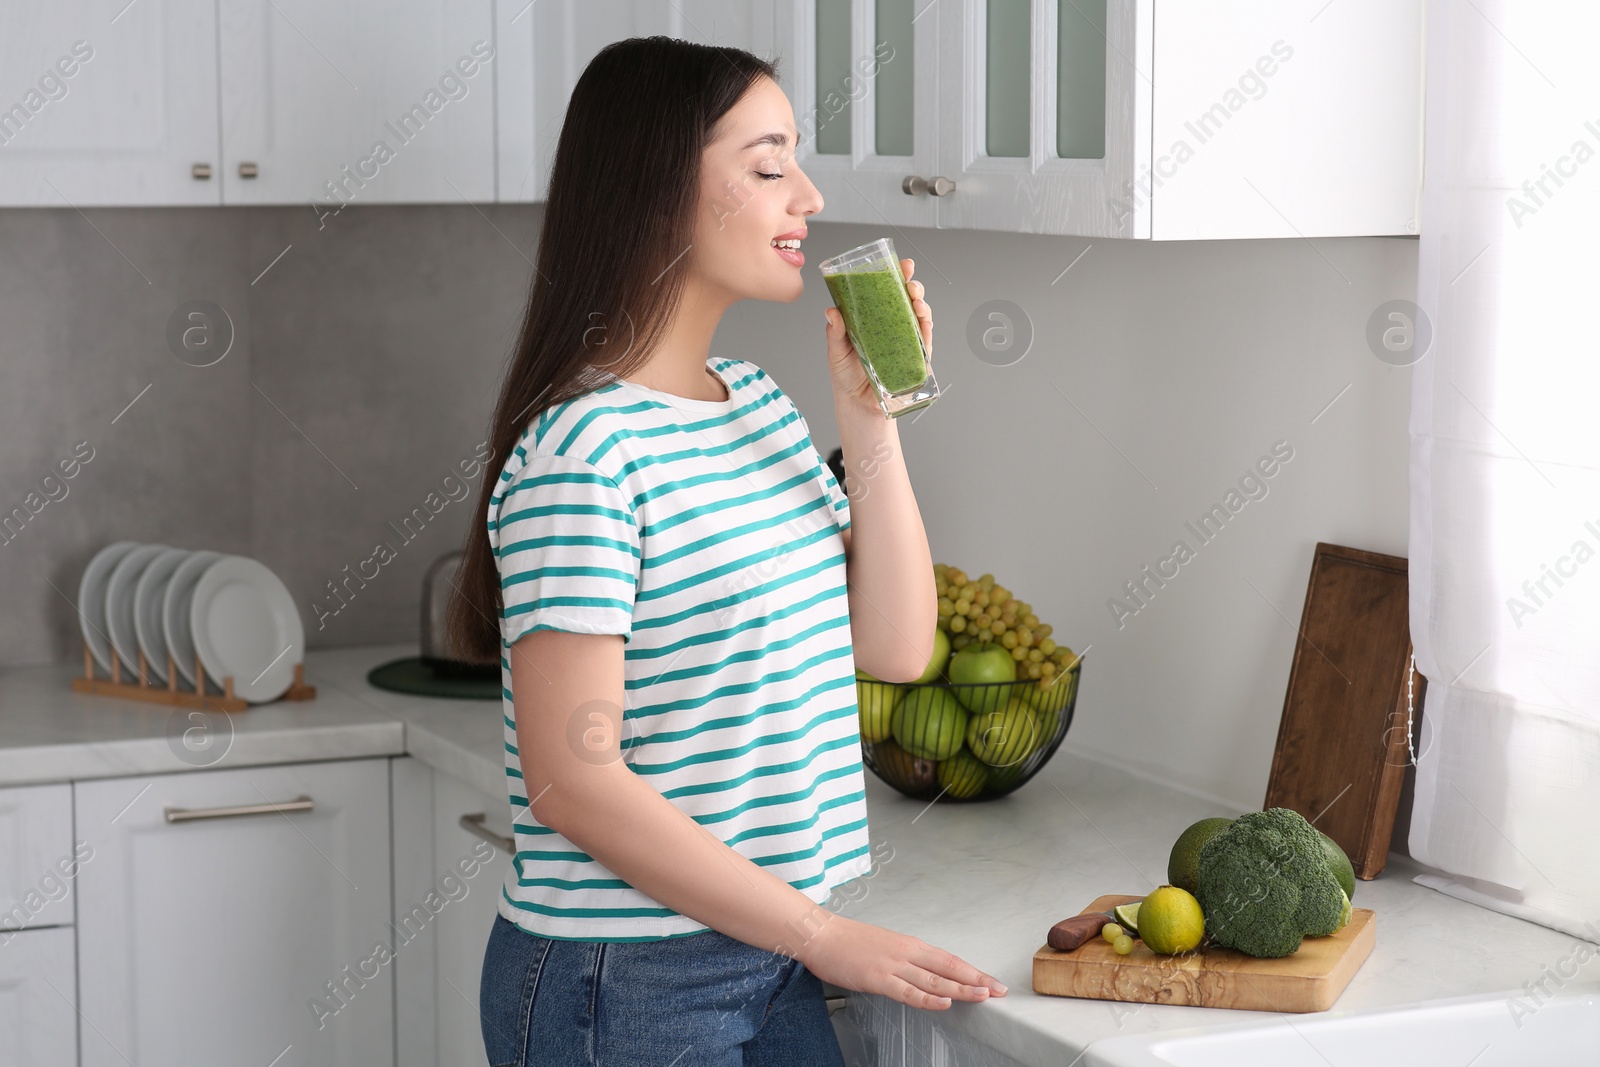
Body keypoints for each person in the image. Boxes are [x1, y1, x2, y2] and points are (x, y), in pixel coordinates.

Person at [449, 34, 1006, 1066]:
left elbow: (893, 645)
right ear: (659, 189)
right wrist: (824, 935)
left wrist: (868, 415)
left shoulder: (755, 405)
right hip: (628, 980)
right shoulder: (585, 452)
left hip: (770, 949)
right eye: (766, 165)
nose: (807, 195)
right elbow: (575, 782)